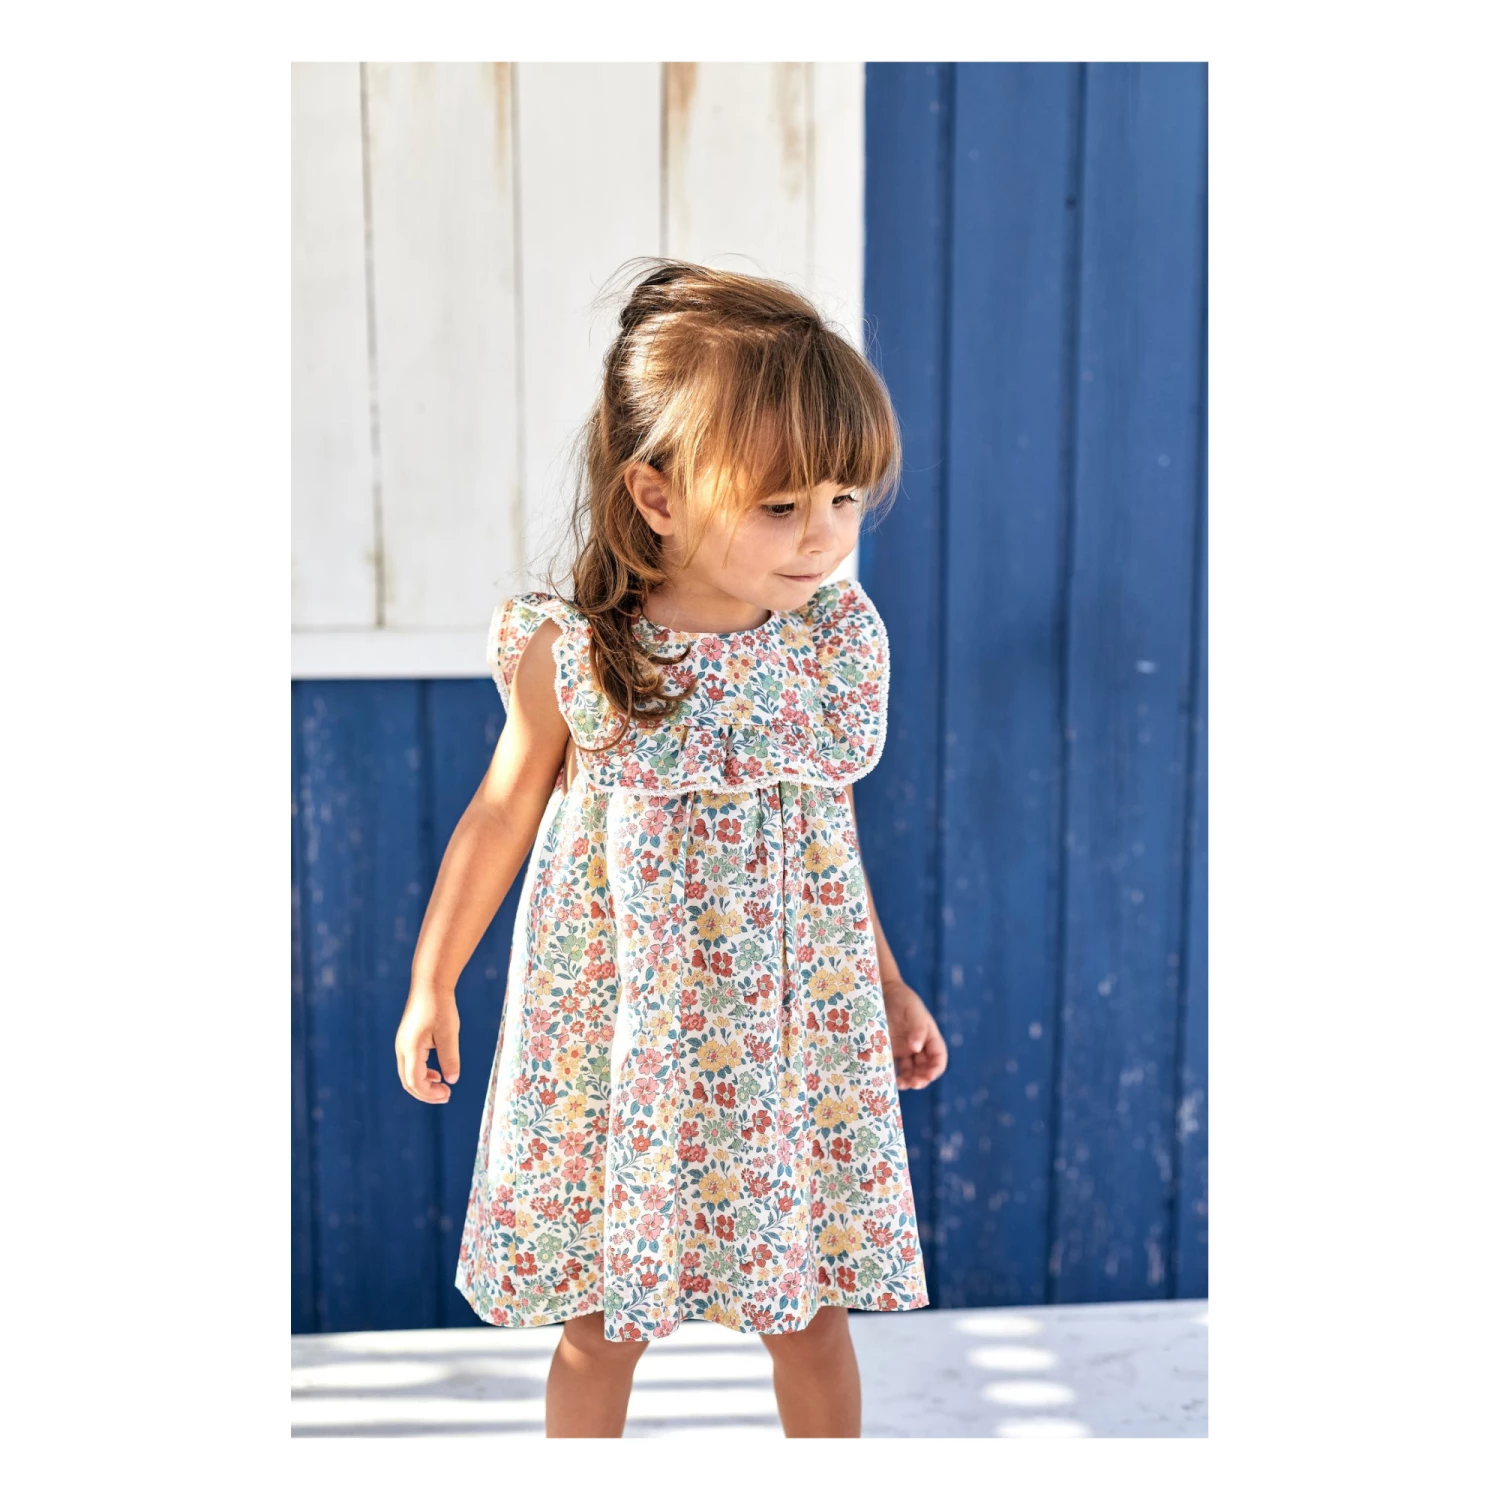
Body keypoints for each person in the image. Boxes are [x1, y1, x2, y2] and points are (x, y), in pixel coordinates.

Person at [394, 257, 948, 1439]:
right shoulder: (582, 660)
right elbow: (500, 814)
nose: (822, 536)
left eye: (844, 498)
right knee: (604, 1322)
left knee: (811, 1313)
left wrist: (890, 982)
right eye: (780, 506)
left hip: (785, 1046)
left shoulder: (823, 652)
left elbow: (825, 845)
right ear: (657, 495)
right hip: (624, 1048)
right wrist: (435, 978)